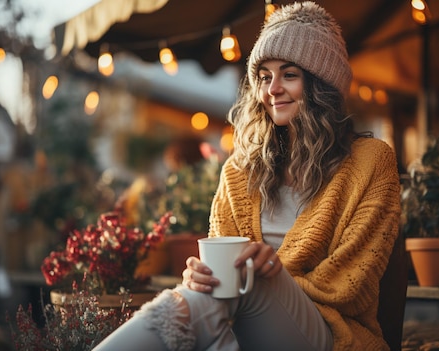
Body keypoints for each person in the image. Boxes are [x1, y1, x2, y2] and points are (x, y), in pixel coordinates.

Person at [93, 2, 401, 350]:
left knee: (242, 280)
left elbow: (351, 287)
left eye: (289, 74)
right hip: (242, 325)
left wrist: (272, 276)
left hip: (331, 333)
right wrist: (200, 276)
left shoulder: (371, 162)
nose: (272, 89)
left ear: (322, 85)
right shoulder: (239, 171)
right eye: (265, 76)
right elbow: (219, 278)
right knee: (204, 294)